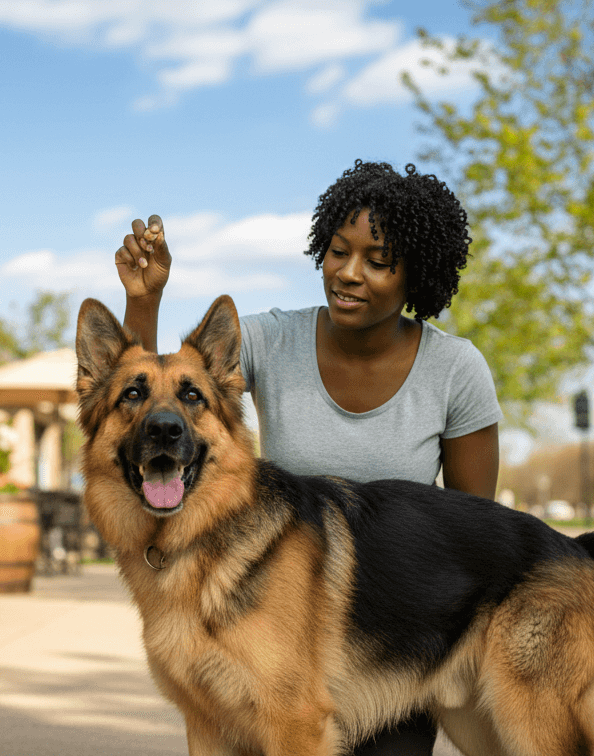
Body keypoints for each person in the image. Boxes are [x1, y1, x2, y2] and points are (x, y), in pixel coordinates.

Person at [114, 159, 503, 755]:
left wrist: (437, 645)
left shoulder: (456, 370)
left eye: (378, 261)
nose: (348, 273)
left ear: (415, 277)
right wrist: (144, 301)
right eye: (337, 251)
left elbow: (473, 530)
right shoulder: (273, 338)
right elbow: (167, 392)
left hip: (392, 631)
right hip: (284, 607)